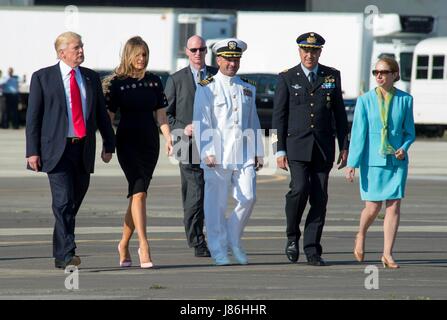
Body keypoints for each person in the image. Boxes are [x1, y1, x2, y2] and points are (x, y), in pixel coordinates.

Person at [25, 32, 116, 269]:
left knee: (72, 203)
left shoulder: (90, 77)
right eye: (76, 47)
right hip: (56, 150)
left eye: (82, 46)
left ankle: (60, 253)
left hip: (82, 149)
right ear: (61, 52)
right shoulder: (42, 78)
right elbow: (33, 118)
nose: (81, 51)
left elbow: (100, 114)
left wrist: (109, 143)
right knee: (63, 202)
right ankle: (68, 252)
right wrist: (32, 151)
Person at [272, 32, 349, 266]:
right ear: (299, 51)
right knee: (299, 189)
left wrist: (344, 146)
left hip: (323, 147)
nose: (309, 54)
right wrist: (279, 150)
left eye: (314, 51)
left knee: (319, 197)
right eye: (305, 50)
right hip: (296, 146)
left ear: (320, 52)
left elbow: (339, 114)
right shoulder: (287, 77)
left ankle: (312, 249)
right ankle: (292, 236)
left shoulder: (331, 76)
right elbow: (279, 116)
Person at [103, 36, 173, 269]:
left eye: (145, 55)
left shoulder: (154, 81)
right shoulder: (117, 83)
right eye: (138, 54)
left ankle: (123, 244)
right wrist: (107, 145)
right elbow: (109, 118)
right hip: (127, 142)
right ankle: (144, 244)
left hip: (149, 143)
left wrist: (169, 138)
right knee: (140, 192)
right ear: (129, 55)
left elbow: (161, 115)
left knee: (137, 195)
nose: (142, 59)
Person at [193, 38, 264, 265]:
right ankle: (218, 249)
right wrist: (207, 150)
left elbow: (253, 120)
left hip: (243, 153)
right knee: (216, 204)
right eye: (228, 59)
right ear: (218, 59)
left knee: (249, 197)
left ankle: (233, 239)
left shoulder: (248, 87)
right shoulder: (207, 87)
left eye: (236, 59)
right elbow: (201, 120)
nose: (232, 63)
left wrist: (258, 151)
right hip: (217, 154)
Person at [346, 56, 415, 269]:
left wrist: (404, 148)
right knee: (373, 207)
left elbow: (409, 132)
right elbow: (358, 134)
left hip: (396, 161)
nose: (379, 76)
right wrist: (352, 163)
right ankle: (361, 234)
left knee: (393, 206)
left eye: (384, 72)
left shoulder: (406, 99)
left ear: (394, 74)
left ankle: (387, 254)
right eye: (376, 72)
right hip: (372, 160)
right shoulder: (365, 100)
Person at [165, 35, 218, 258]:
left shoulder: (217, 75)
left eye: (202, 49)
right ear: (186, 51)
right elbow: (165, 114)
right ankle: (197, 240)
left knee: (213, 195)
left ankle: (214, 236)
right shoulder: (176, 80)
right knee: (195, 194)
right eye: (194, 50)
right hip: (187, 145)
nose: (198, 53)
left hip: (215, 145)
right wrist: (182, 128)